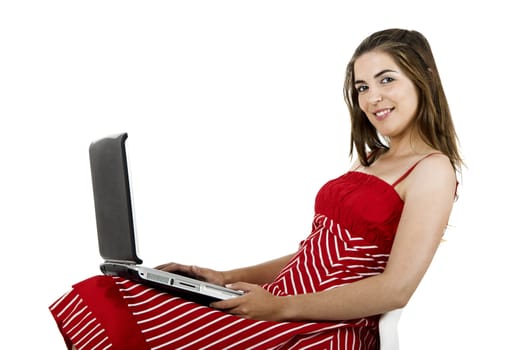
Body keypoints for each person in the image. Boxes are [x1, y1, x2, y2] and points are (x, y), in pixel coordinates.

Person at [49, 28, 462, 350]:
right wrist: (224, 276)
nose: (373, 98)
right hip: (278, 301)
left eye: (386, 79)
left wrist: (280, 307)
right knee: (119, 292)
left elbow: (396, 289)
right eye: (362, 87)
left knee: (136, 322)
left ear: (423, 76)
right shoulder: (372, 160)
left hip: (321, 326)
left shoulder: (432, 169)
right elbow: (315, 252)